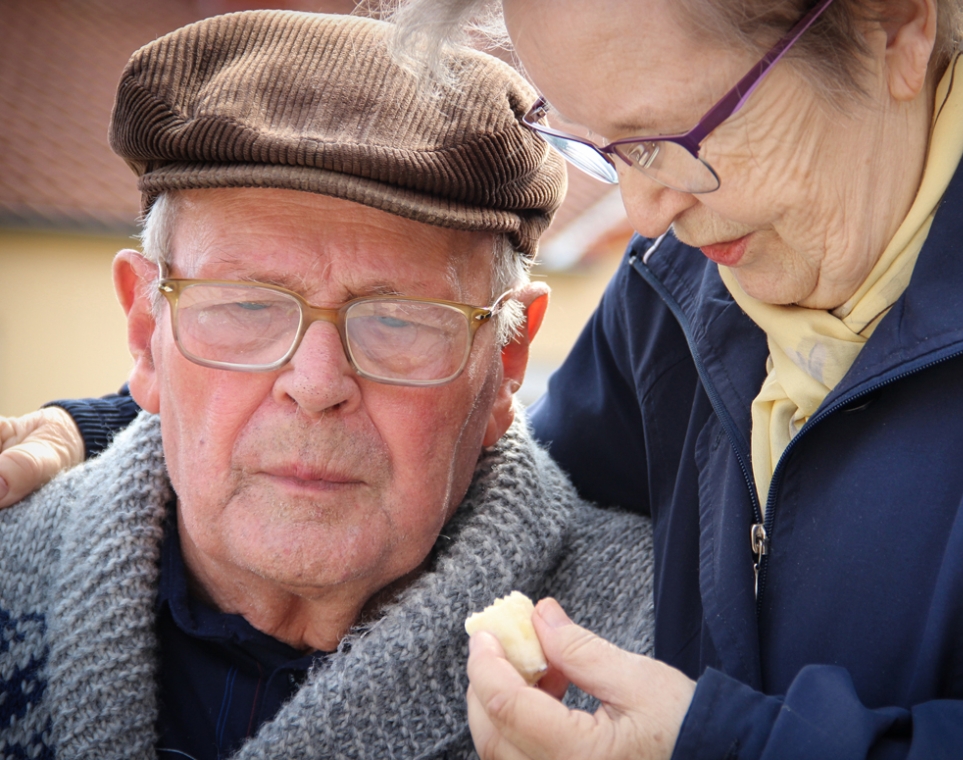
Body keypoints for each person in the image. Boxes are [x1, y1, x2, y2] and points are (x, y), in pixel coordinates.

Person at [5, 0, 963, 757]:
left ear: (897, 24)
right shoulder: (686, 279)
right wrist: (104, 434)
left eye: (672, 137)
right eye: (603, 148)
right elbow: (472, 450)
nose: (640, 219)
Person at [0, 10, 654, 760]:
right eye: (247, 305)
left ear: (506, 360)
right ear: (148, 333)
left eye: (400, 320)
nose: (315, 385)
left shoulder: (653, 649)